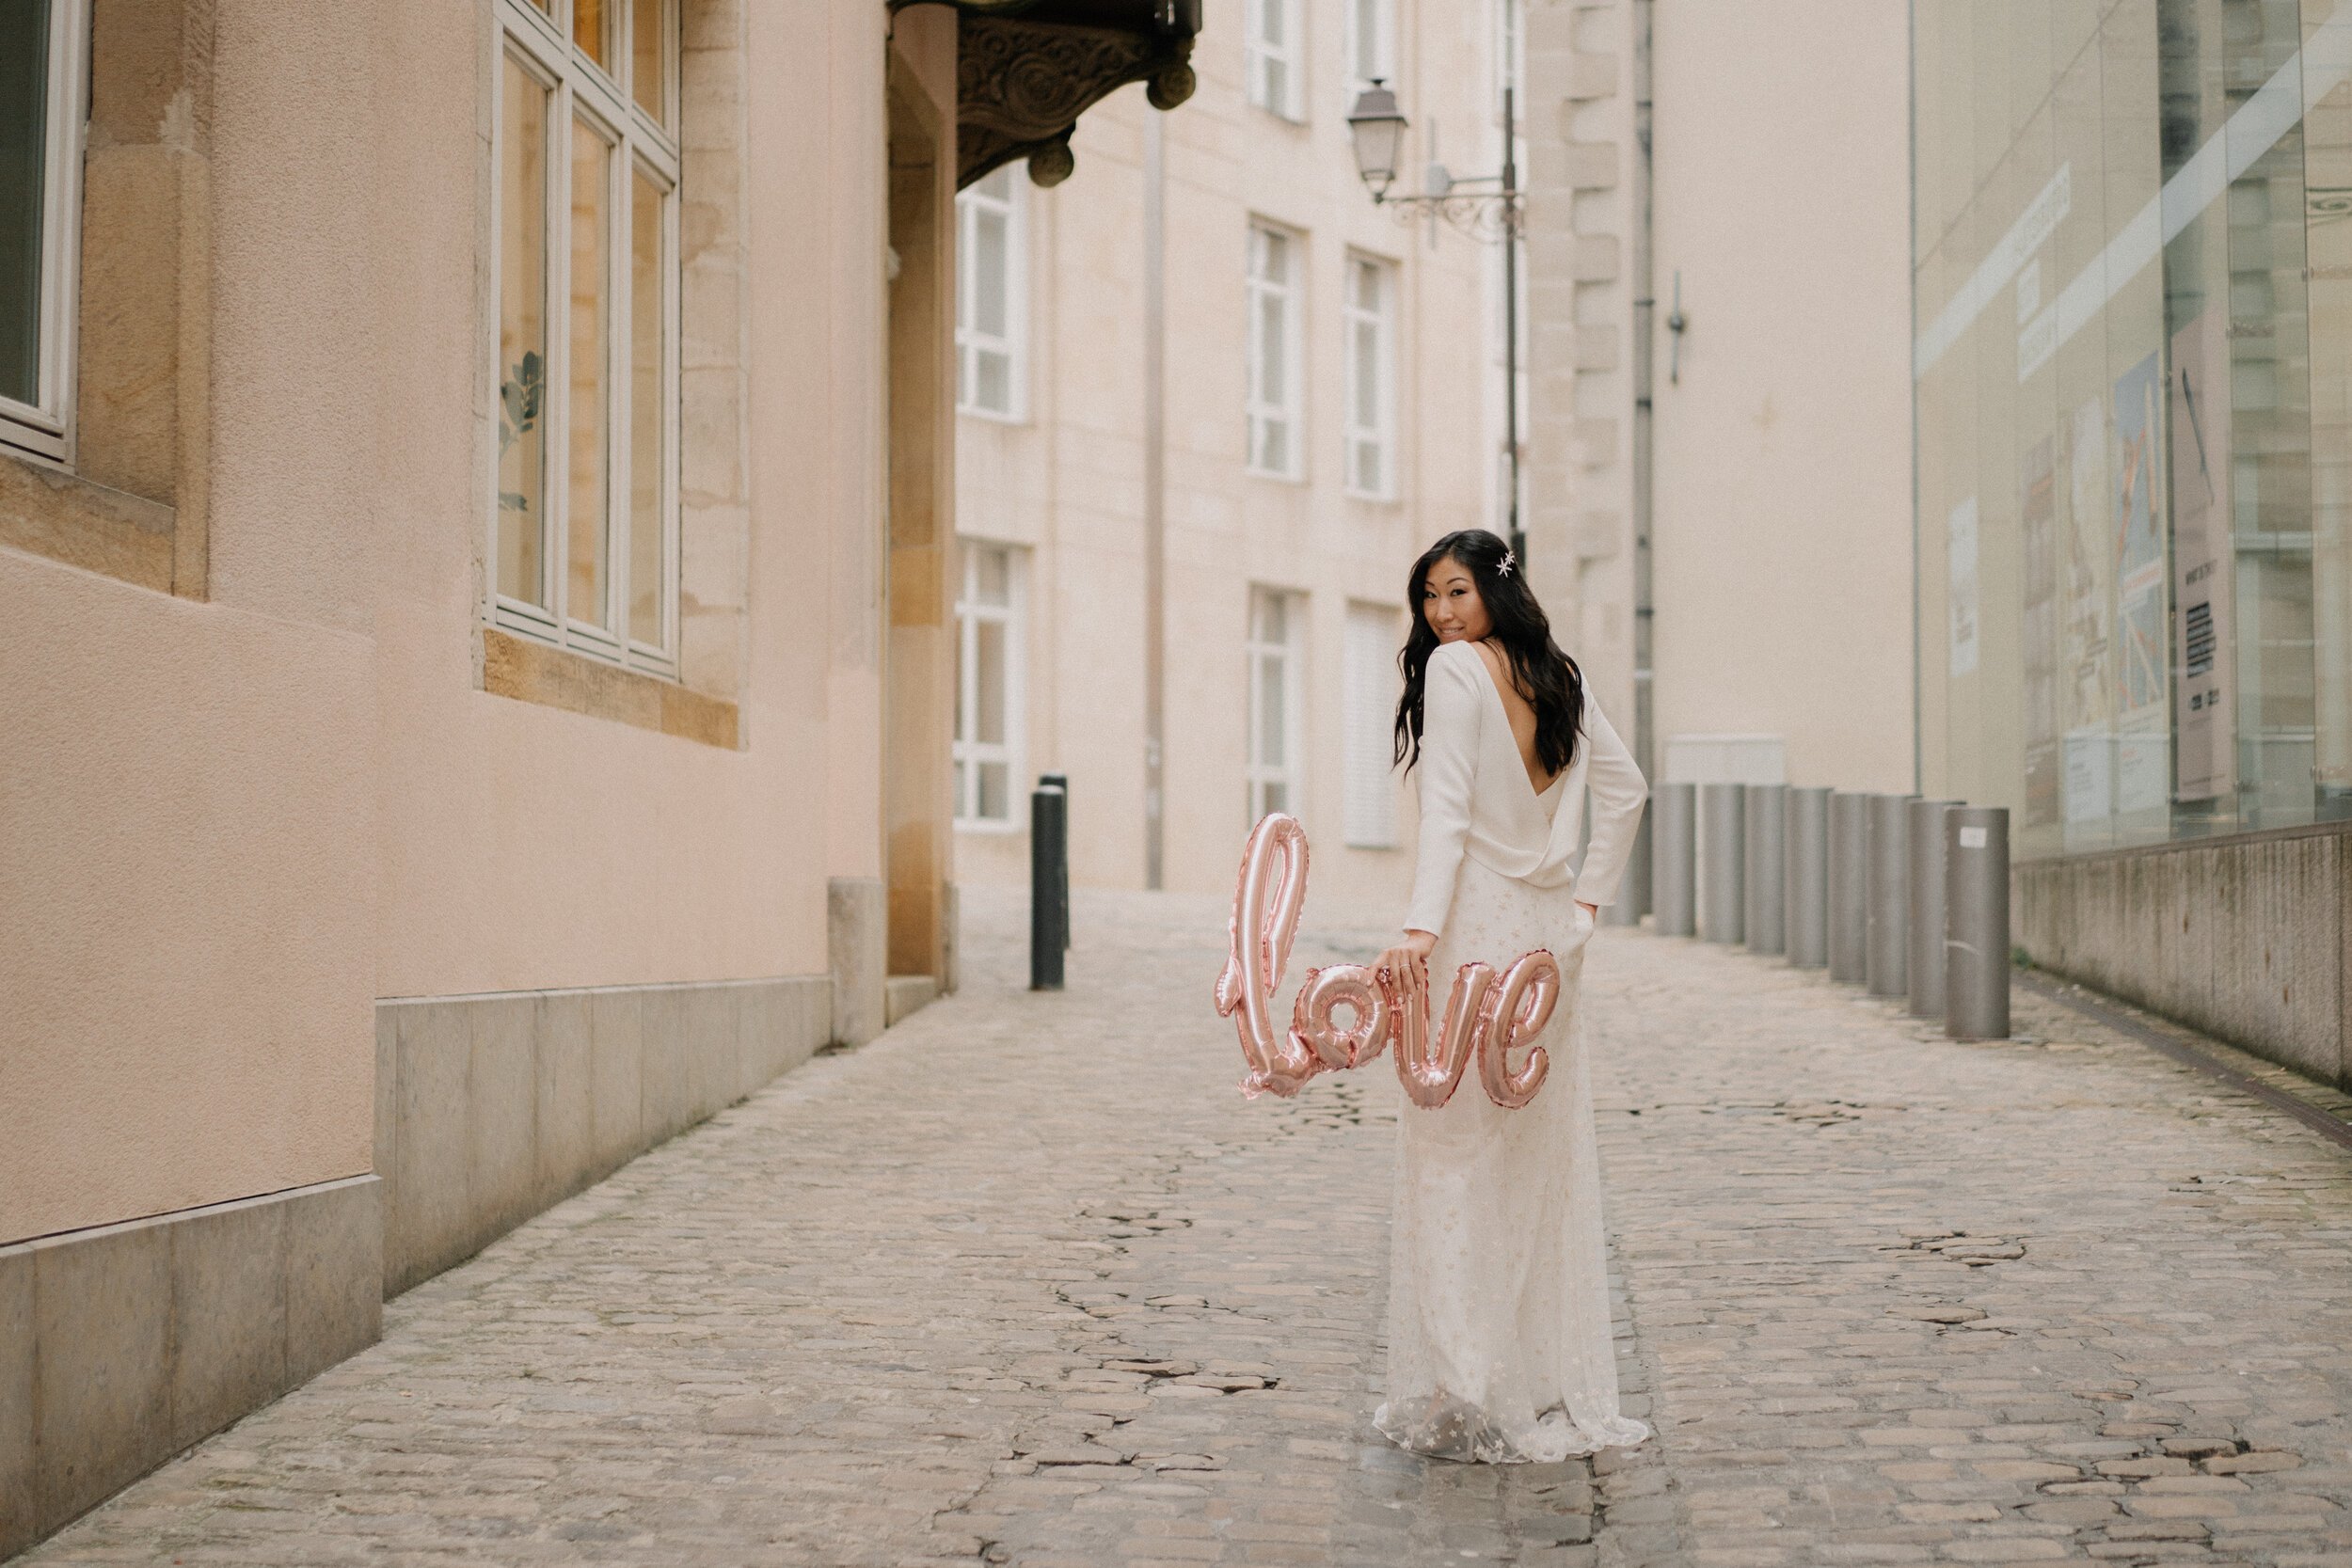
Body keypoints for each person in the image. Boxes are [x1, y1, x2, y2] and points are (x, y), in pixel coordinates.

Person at [1370, 528, 1651, 1465]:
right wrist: (1582, 902)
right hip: (1546, 944)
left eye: (1454, 591)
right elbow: (1626, 790)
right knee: (1531, 1160)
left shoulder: (1453, 675)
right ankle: (1522, 1375)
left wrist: (1418, 928)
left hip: (1473, 936)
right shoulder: (1558, 675)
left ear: (1495, 588)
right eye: (1428, 597)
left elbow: (1447, 811)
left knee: (1447, 1151)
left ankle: (1467, 1378)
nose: (1440, 614)